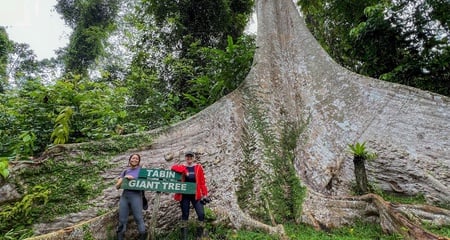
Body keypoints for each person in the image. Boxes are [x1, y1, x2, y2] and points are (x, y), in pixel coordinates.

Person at [171, 151, 209, 240]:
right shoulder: (182, 166)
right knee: (185, 215)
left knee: (201, 214)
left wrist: (205, 194)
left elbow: (202, 182)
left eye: (191, 157)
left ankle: (199, 236)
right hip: (184, 196)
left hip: (196, 195)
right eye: (187, 157)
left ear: (193, 158)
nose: (189, 158)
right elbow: (173, 167)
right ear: (185, 158)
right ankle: (184, 237)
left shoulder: (198, 167)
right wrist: (185, 171)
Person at [115, 154, 148, 240]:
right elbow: (117, 186)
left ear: (139, 161)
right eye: (133, 158)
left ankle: (143, 236)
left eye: (137, 159)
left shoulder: (142, 171)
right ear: (130, 160)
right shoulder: (125, 171)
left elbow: (145, 184)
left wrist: (134, 180)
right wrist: (124, 178)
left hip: (136, 196)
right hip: (125, 197)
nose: (135, 160)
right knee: (122, 220)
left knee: (138, 218)